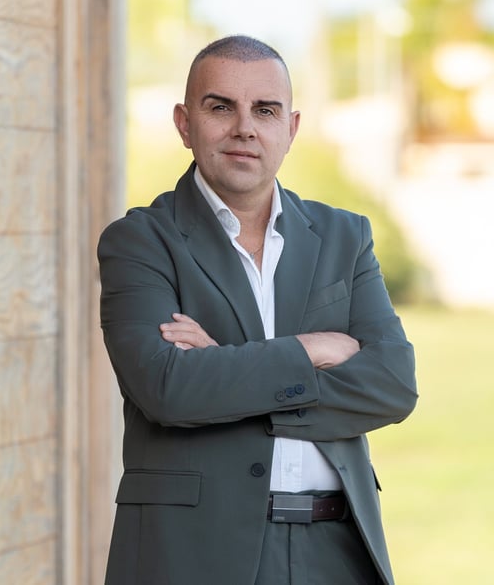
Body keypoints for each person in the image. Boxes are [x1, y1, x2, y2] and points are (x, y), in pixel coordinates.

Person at [97, 35, 417, 585]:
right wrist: (309, 351)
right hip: (193, 553)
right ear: (184, 122)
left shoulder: (345, 236)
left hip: (337, 549)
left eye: (264, 110)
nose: (244, 127)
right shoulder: (140, 241)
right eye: (221, 106)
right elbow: (168, 389)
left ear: (289, 129)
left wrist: (226, 366)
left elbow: (392, 384)